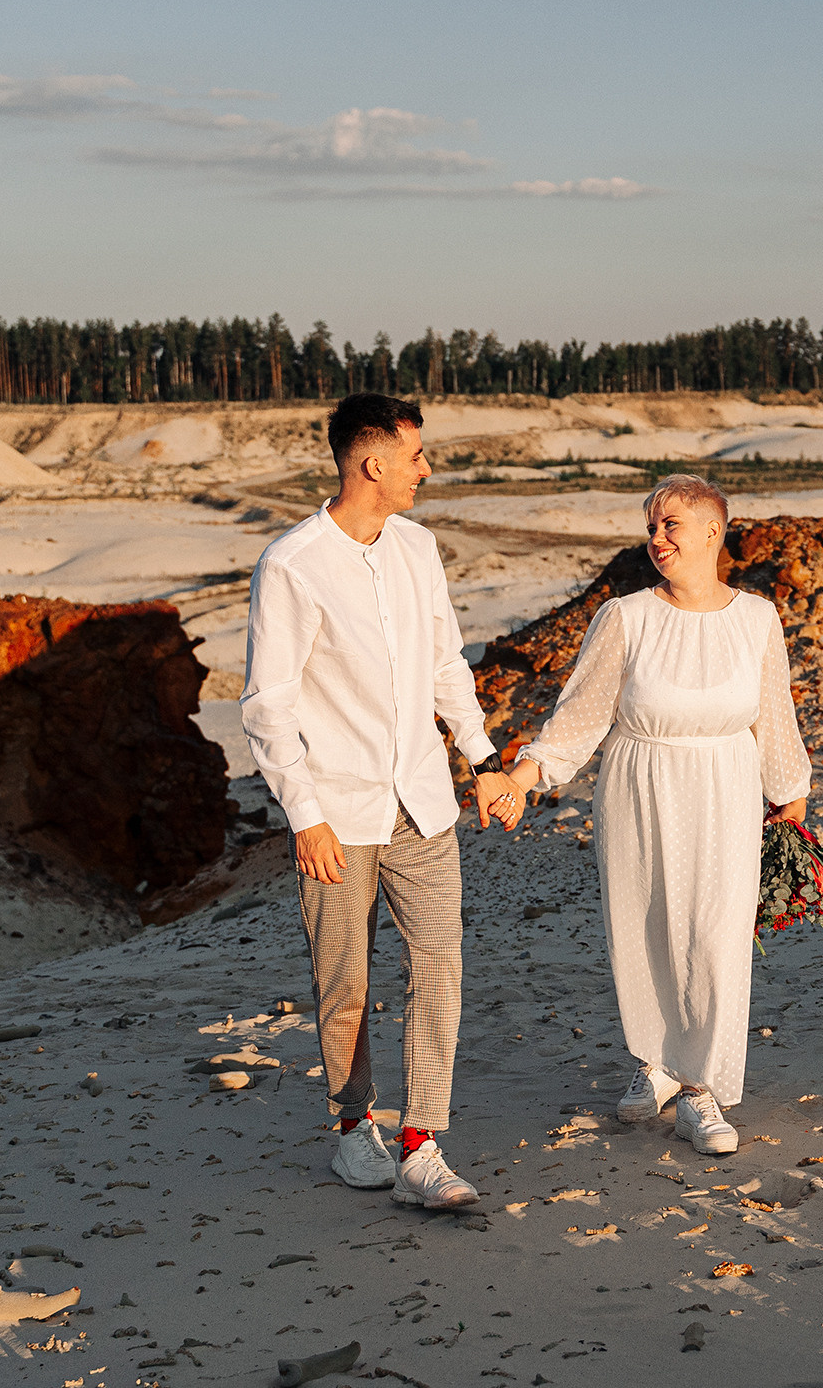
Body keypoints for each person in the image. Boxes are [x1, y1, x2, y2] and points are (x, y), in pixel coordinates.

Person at [240, 391, 523, 1209]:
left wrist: (483, 760)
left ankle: (422, 1138)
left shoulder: (418, 547)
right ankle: (351, 1124)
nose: (425, 470)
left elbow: (445, 666)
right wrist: (305, 814)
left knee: (440, 963)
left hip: (423, 803)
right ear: (373, 464)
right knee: (346, 982)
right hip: (337, 812)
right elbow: (267, 705)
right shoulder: (292, 563)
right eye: (416, 457)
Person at [501, 474, 810, 1154]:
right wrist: (523, 777)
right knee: (645, 927)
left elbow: (774, 713)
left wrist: (791, 790)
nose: (657, 538)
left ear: (711, 532)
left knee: (714, 934)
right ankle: (659, 1063)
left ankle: (702, 1092)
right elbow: (578, 717)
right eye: (650, 526)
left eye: (670, 524)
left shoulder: (757, 618)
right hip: (639, 783)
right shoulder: (625, 616)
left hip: (724, 784)